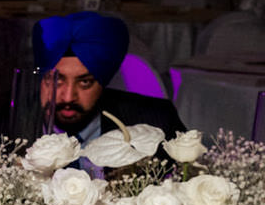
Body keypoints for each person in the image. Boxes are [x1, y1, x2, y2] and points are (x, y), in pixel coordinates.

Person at [35, 10, 184, 145]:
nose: (68, 97)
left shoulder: (157, 122)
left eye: (85, 82)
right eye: (57, 80)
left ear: (103, 82)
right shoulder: (13, 121)